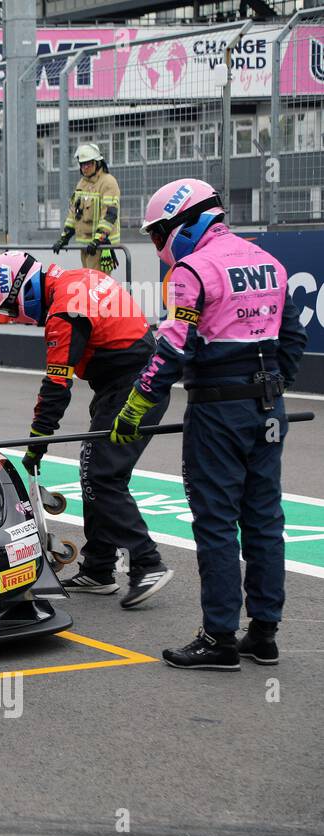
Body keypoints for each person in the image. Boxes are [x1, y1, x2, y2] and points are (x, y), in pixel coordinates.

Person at [110, 179, 309, 670]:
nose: (159, 244)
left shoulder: (192, 270)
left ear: (186, 222)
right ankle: (263, 633)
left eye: (160, 233)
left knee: (217, 522)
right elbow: (293, 338)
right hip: (267, 408)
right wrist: (273, 385)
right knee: (264, 519)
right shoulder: (269, 263)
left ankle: (219, 638)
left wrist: (135, 408)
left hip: (218, 412)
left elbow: (173, 349)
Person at [0, 250, 173, 607]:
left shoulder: (64, 311)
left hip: (131, 389)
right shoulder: (79, 278)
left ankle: (148, 562)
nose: (15, 318)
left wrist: (37, 442)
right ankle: (99, 567)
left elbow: (56, 387)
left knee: (102, 477)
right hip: (128, 382)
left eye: (10, 309)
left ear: (23, 293)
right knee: (93, 471)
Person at [53, 143, 121, 275]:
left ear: (97, 163)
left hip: (100, 245)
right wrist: (64, 237)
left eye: (88, 164)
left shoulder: (108, 182)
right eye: (82, 164)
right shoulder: (82, 184)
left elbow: (109, 214)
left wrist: (98, 239)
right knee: (88, 281)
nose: (85, 168)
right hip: (85, 245)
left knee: (97, 284)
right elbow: (74, 212)